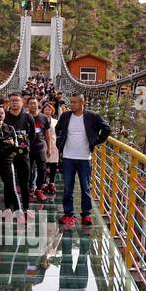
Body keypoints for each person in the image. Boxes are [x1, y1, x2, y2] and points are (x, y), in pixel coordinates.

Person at [56, 92, 111, 228]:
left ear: (82, 103)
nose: (72, 104)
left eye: (75, 102)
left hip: (84, 158)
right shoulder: (65, 116)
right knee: (68, 188)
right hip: (68, 157)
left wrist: (96, 141)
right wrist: (60, 142)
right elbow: (58, 129)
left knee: (85, 187)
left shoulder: (92, 116)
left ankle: (86, 214)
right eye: (71, 102)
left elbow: (107, 129)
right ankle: (68, 214)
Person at [3, 92, 35, 216]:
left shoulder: (28, 117)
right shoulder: (4, 117)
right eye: (12, 100)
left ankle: (26, 207)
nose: (15, 102)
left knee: (24, 182)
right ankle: (8, 207)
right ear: (9, 103)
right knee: (8, 182)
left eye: (17, 100)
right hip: (8, 156)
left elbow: (31, 135)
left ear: (22, 102)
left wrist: (26, 146)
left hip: (23, 155)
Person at [41, 101, 60, 194]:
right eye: (46, 110)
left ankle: (52, 183)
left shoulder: (56, 122)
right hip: (43, 145)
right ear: (43, 111)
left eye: (49, 110)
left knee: (53, 165)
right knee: (43, 164)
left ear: (52, 111)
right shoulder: (40, 120)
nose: (48, 111)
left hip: (54, 145)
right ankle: (43, 183)